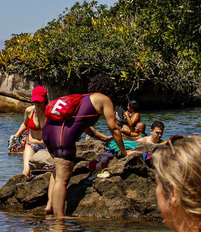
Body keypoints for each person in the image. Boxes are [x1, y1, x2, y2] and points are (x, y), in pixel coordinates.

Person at [42, 75, 137, 218]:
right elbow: (115, 128)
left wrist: (103, 138)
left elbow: (86, 128)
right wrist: (124, 152)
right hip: (62, 138)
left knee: (58, 169)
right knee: (63, 179)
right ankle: (59, 221)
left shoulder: (83, 98)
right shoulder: (105, 99)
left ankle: (50, 205)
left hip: (48, 133)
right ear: (109, 90)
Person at [9, 86, 49, 178]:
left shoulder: (49, 112)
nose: (37, 103)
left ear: (45, 100)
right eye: (35, 101)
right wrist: (16, 135)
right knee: (26, 173)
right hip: (31, 145)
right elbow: (24, 124)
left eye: (39, 101)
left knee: (45, 173)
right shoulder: (29, 111)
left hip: (46, 146)